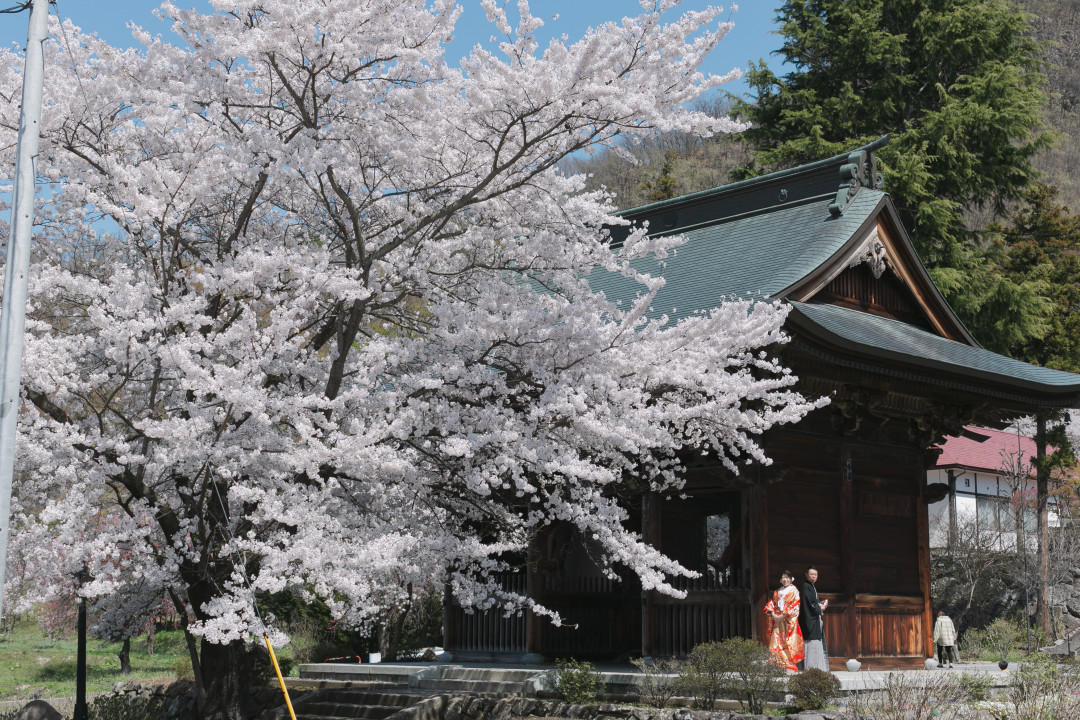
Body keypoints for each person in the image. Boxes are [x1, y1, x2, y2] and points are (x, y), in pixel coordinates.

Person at [764, 569, 804, 671]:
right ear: (780, 580)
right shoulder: (777, 591)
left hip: (787, 620)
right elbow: (772, 604)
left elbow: (795, 605)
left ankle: (788, 663)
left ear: (791, 579)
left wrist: (783, 616)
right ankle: (776, 663)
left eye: (787, 577)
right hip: (777, 621)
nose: (785, 579)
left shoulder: (794, 591)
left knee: (787, 641)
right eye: (783, 578)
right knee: (776, 641)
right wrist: (773, 614)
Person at [799, 565, 830, 671]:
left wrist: (819, 604)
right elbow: (808, 604)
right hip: (810, 622)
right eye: (811, 574)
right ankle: (812, 669)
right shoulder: (805, 586)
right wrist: (819, 607)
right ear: (806, 575)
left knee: (817, 644)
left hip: (815, 620)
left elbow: (813, 602)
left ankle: (817, 669)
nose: (813, 576)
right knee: (812, 645)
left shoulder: (811, 586)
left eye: (815, 574)